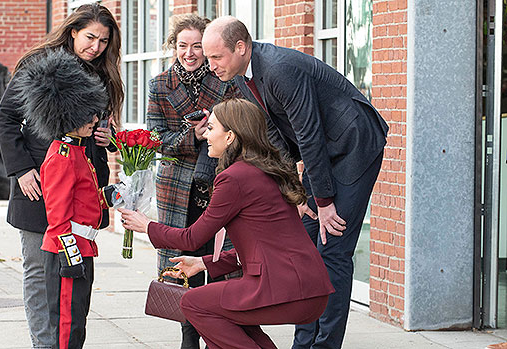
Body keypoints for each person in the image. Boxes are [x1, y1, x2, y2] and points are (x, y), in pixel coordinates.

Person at [201, 17, 389, 349]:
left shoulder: (279, 68)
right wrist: (295, 191)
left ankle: (324, 345)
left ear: (241, 47)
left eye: (216, 57)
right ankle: (303, 343)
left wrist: (324, 201)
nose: (211, 65)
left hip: (354, 144)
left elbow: (309, 134)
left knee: (333, 250)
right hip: (324, 152)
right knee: (304, 248)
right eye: (209, 58)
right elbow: (274, 135)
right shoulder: (244, 77)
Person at [119, 98, 335, 349]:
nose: (206, 135)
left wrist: (146, 226)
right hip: (307, 288)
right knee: (227, 316)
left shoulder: (235, 178)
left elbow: (191, 238)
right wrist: (203, 262)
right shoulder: (264, 170)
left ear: (230, 136)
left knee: (194, 303)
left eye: (211, 128)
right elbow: (263, 245)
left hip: (287, 288)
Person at [0, 4, 123, 348]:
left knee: (75, 272)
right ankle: (44, 343)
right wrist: (21, 169)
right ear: (72, 32)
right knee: (38, 268)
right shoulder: (39, 66)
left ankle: (67, 340)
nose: (95, 46)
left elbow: (100, 132)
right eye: (90, 37)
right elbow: (6, 118)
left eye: (103, 40)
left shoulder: (101, 74)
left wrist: (106, 137)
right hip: (37, 182)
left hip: (80, 190)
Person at [146, 13, 239, 348]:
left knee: (217, 263)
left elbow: (238, 131)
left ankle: (217, 331)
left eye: (197, 46)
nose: (190, 53)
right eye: (182, 45)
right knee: (181, 264)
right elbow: (155, 138)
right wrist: (192, 134)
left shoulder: (226, 81)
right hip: (176, 189)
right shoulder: (159, 84)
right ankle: (188, 336)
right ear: (174, 47)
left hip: (217, 182)